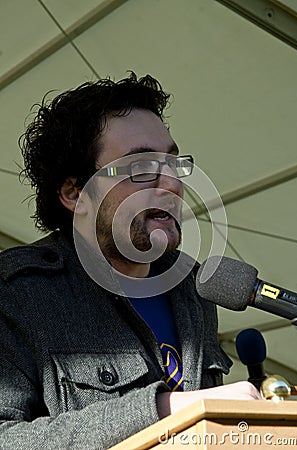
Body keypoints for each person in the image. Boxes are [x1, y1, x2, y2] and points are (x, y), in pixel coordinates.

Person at [0, 73, 261, 449]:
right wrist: (165, 408)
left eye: (172, 162)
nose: (170, 183)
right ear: (75, 193)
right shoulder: (17, 293)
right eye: (140, 167)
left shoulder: (193, 289)